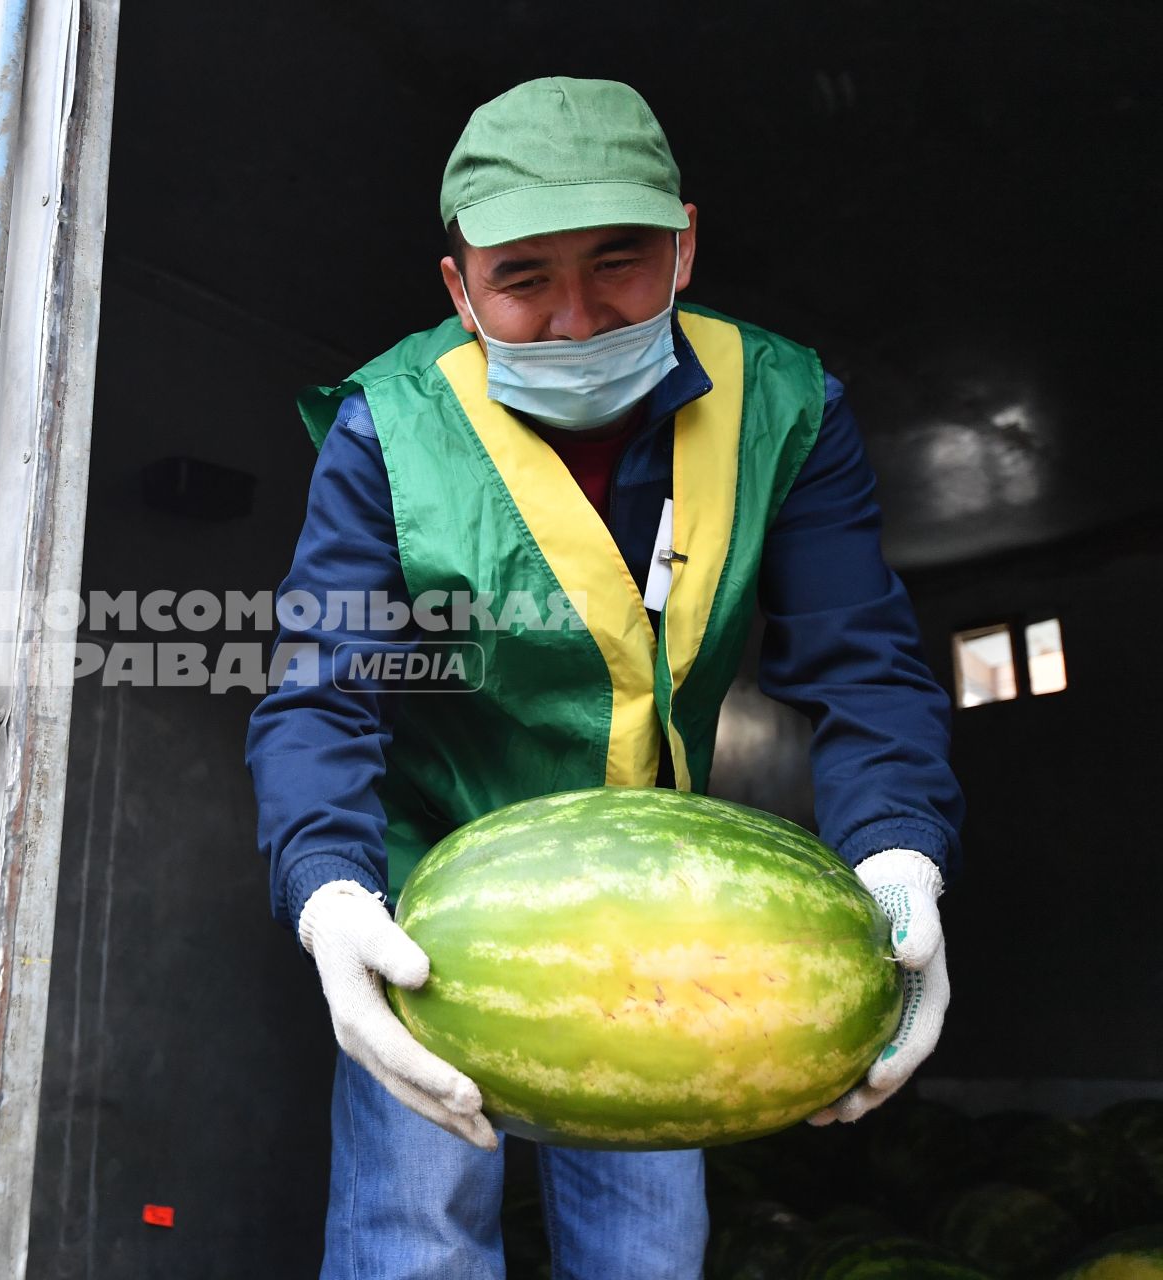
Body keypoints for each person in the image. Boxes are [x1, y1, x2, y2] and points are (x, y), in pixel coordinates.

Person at [244, 77, 965, 1279]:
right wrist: (329, 894)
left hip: (660, 907)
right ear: (458, 287)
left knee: (646, 1253)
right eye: (523, 278)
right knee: (413, 1238)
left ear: (685, 247)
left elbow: (861, 661)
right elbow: (324, 686)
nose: (576, 319)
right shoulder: (392, 427)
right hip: (427, 904)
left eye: (618, 263)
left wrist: (899, 852)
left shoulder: (783, 406)